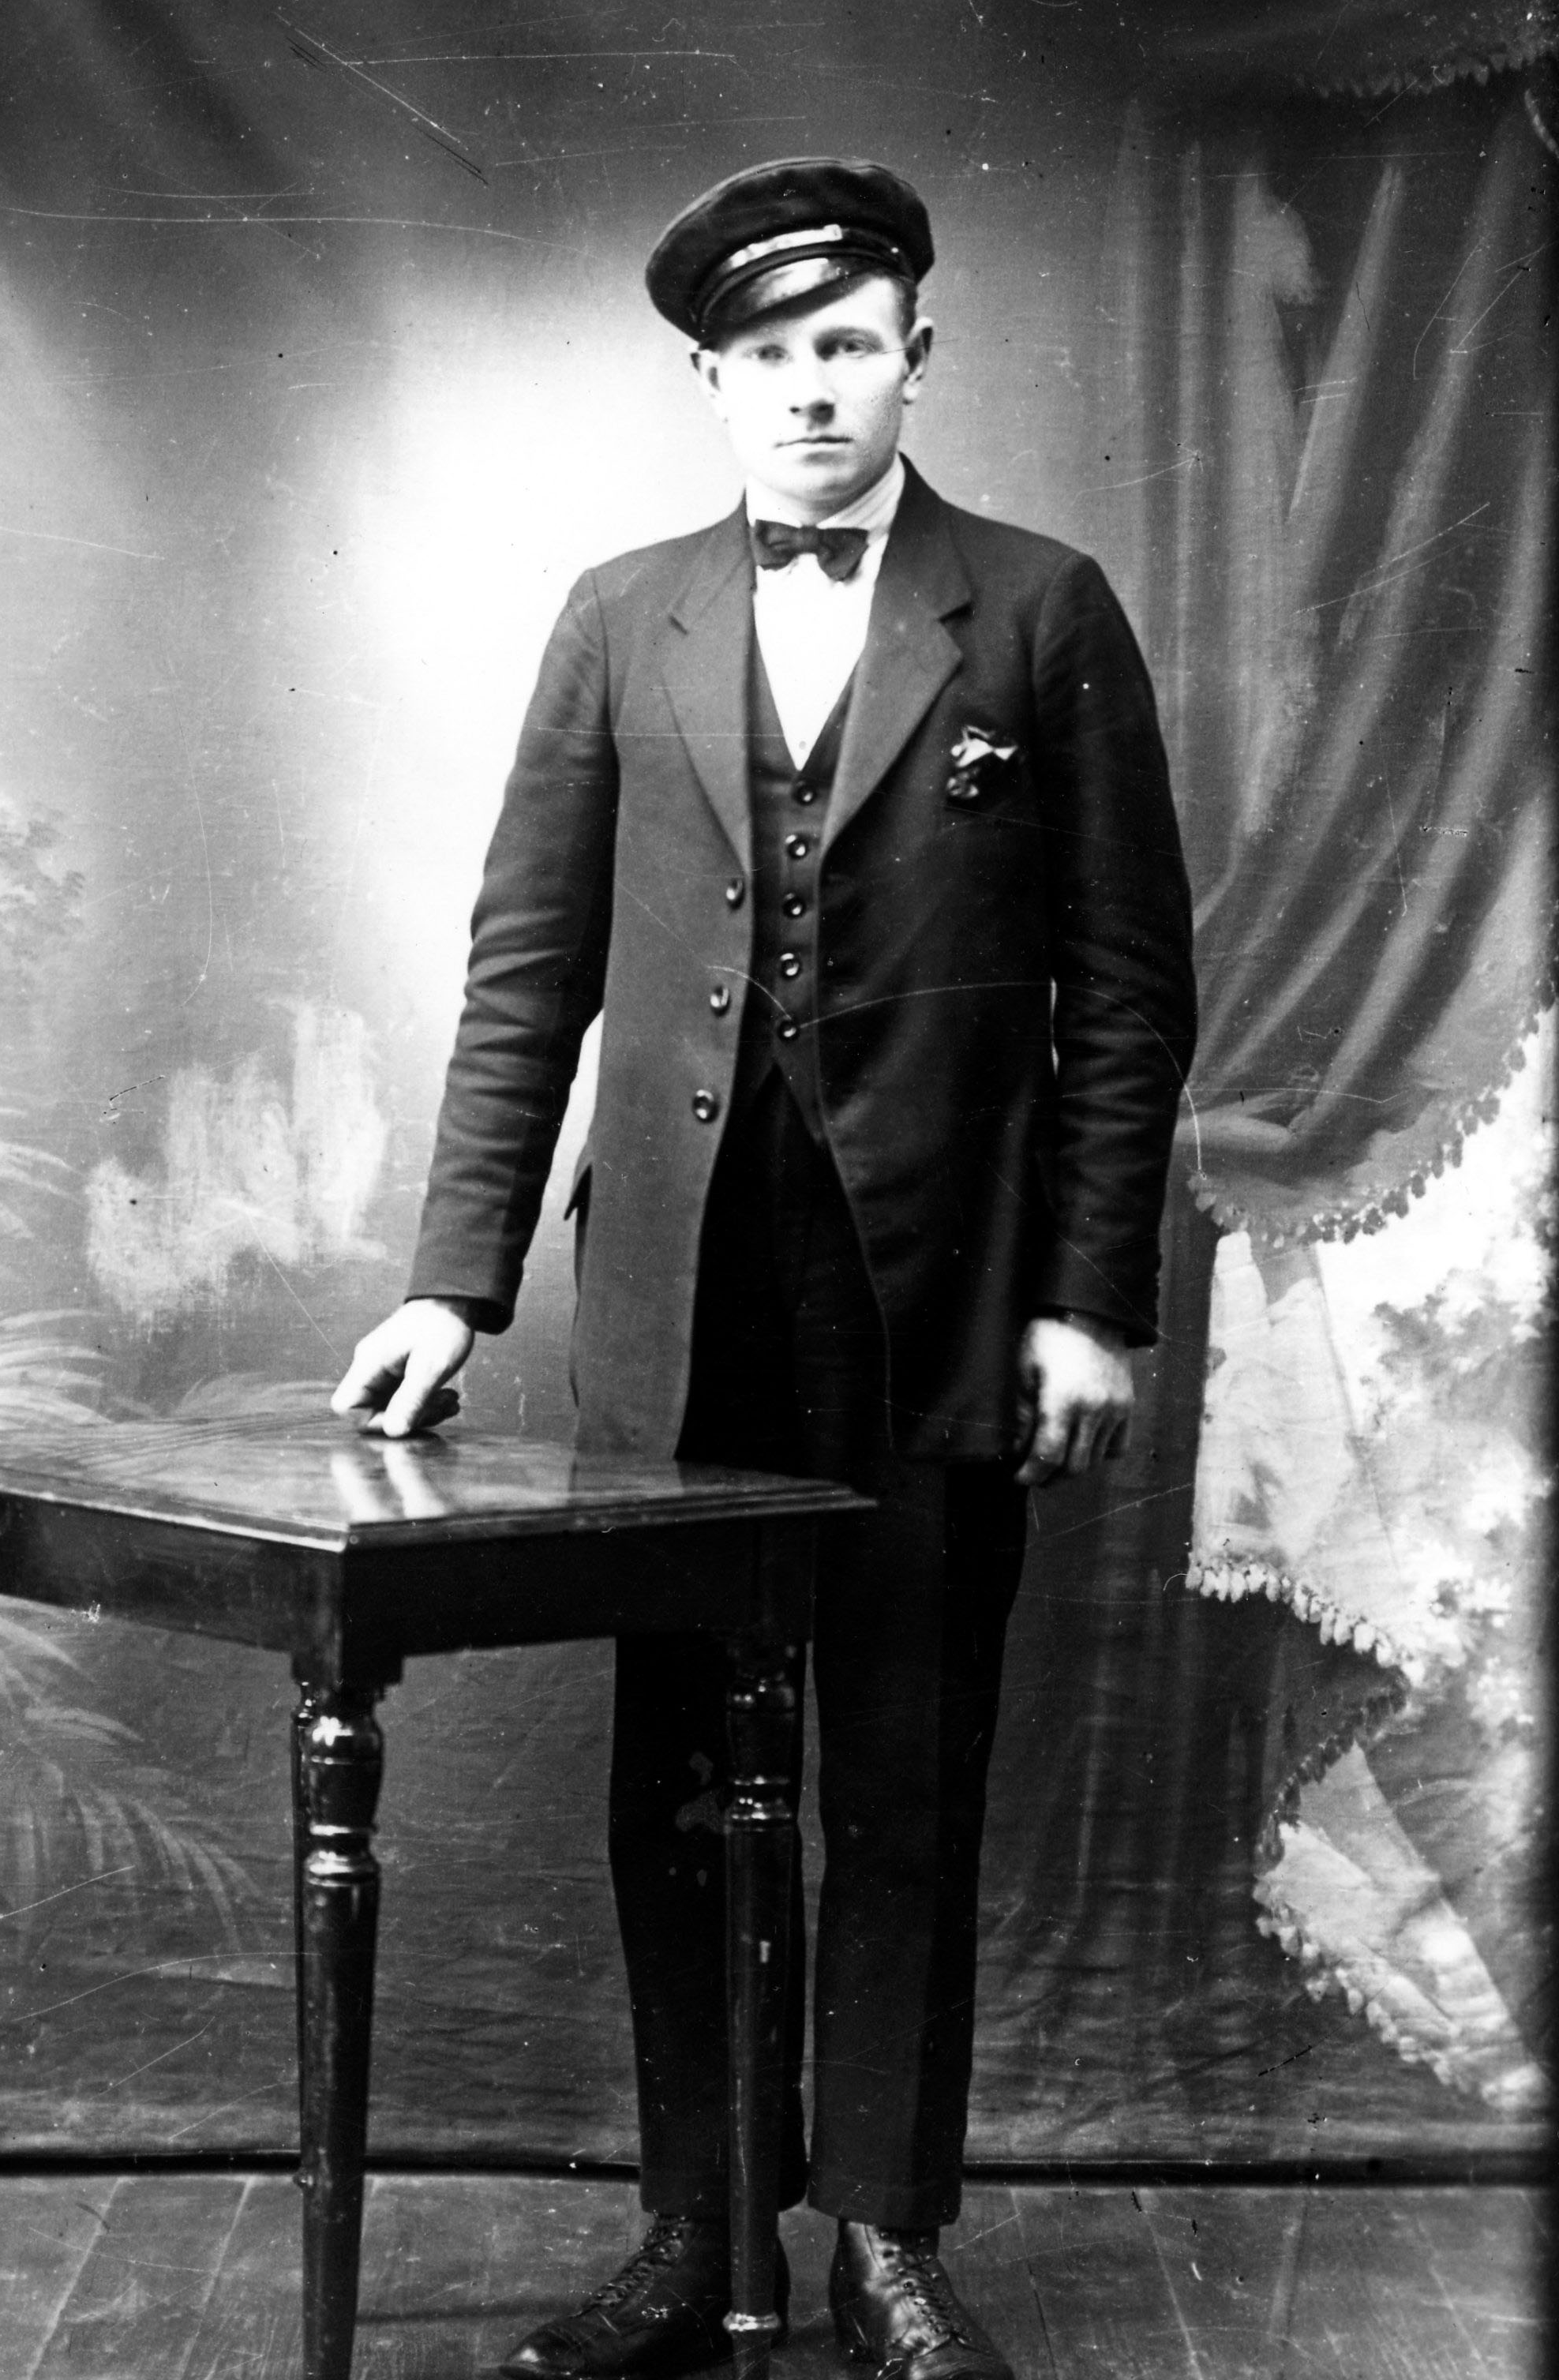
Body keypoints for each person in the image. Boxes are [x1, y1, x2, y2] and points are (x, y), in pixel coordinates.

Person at [333, 157, 1196, 2380]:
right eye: (767, 356)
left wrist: (1089, 1301)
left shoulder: (1041, 610)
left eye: (848, 346)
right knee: (677, 1783)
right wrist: (455, 1280)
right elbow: (526, 972)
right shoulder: (619, 614)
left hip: (939, 1299)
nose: (811, 389)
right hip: (682, 1296)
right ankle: (697, 2229)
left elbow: (1128, 995)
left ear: (917, 358)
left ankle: (887, 2241)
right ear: (709, 384)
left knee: (904, 1767)